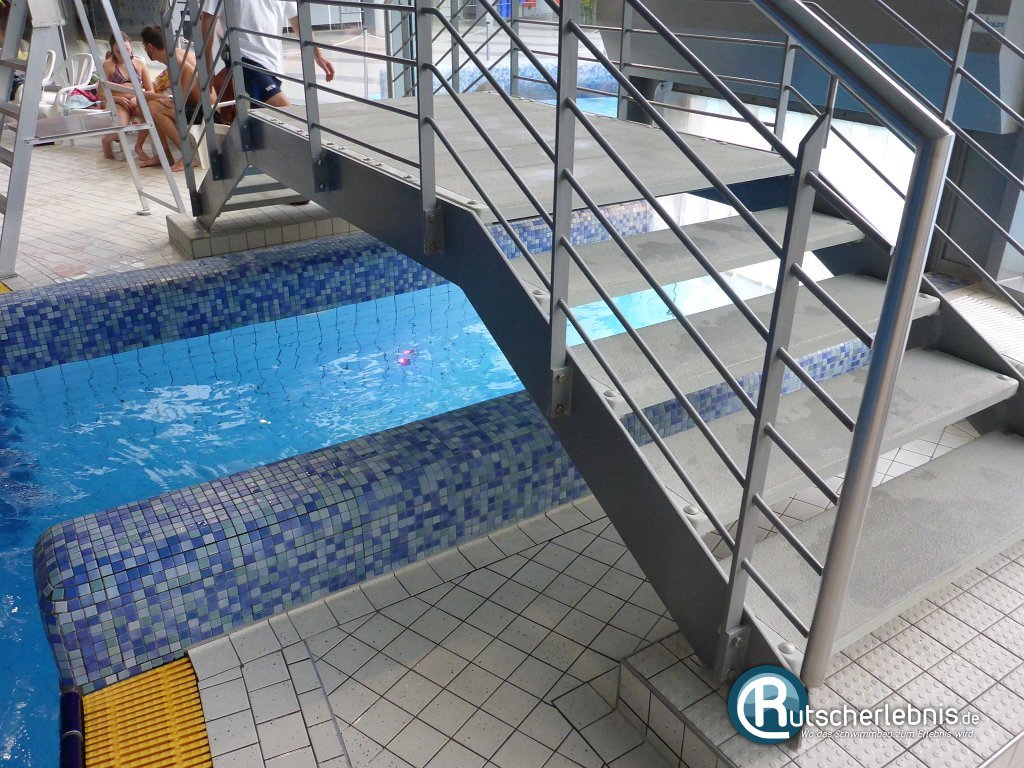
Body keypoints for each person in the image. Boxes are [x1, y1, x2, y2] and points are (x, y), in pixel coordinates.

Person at [200, 0, 334, 110]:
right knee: (285, 109)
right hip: (243, 58)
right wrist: (206, 67)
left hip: (273, 64)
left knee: (262, 119)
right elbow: (207, 20)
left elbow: (297, 21)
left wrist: (318, 55)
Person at [138, 24, 203, 171]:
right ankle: (165, 155)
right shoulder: (173, 54)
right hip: (194, 106)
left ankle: (188, 155)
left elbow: (193, 73)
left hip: (203, 110)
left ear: (150, 47)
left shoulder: (173, 58)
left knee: (154, 108)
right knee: (148, 104)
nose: (145, 50)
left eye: (144, 46)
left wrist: (178, 99)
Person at [100, 33, 155, 162]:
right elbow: (101, 92)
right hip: (118, 102)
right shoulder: (108, 65)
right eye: (118, 52)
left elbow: (150, 90)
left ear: (131, 47)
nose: (123, 54)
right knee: (122, 128)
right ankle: (106, 140)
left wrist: (138, 98)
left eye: (127, 50)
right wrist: (117, 99)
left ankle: (138, 147)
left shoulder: (139, 64)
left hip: (136, 100)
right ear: (113, 51)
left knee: (150, 116)